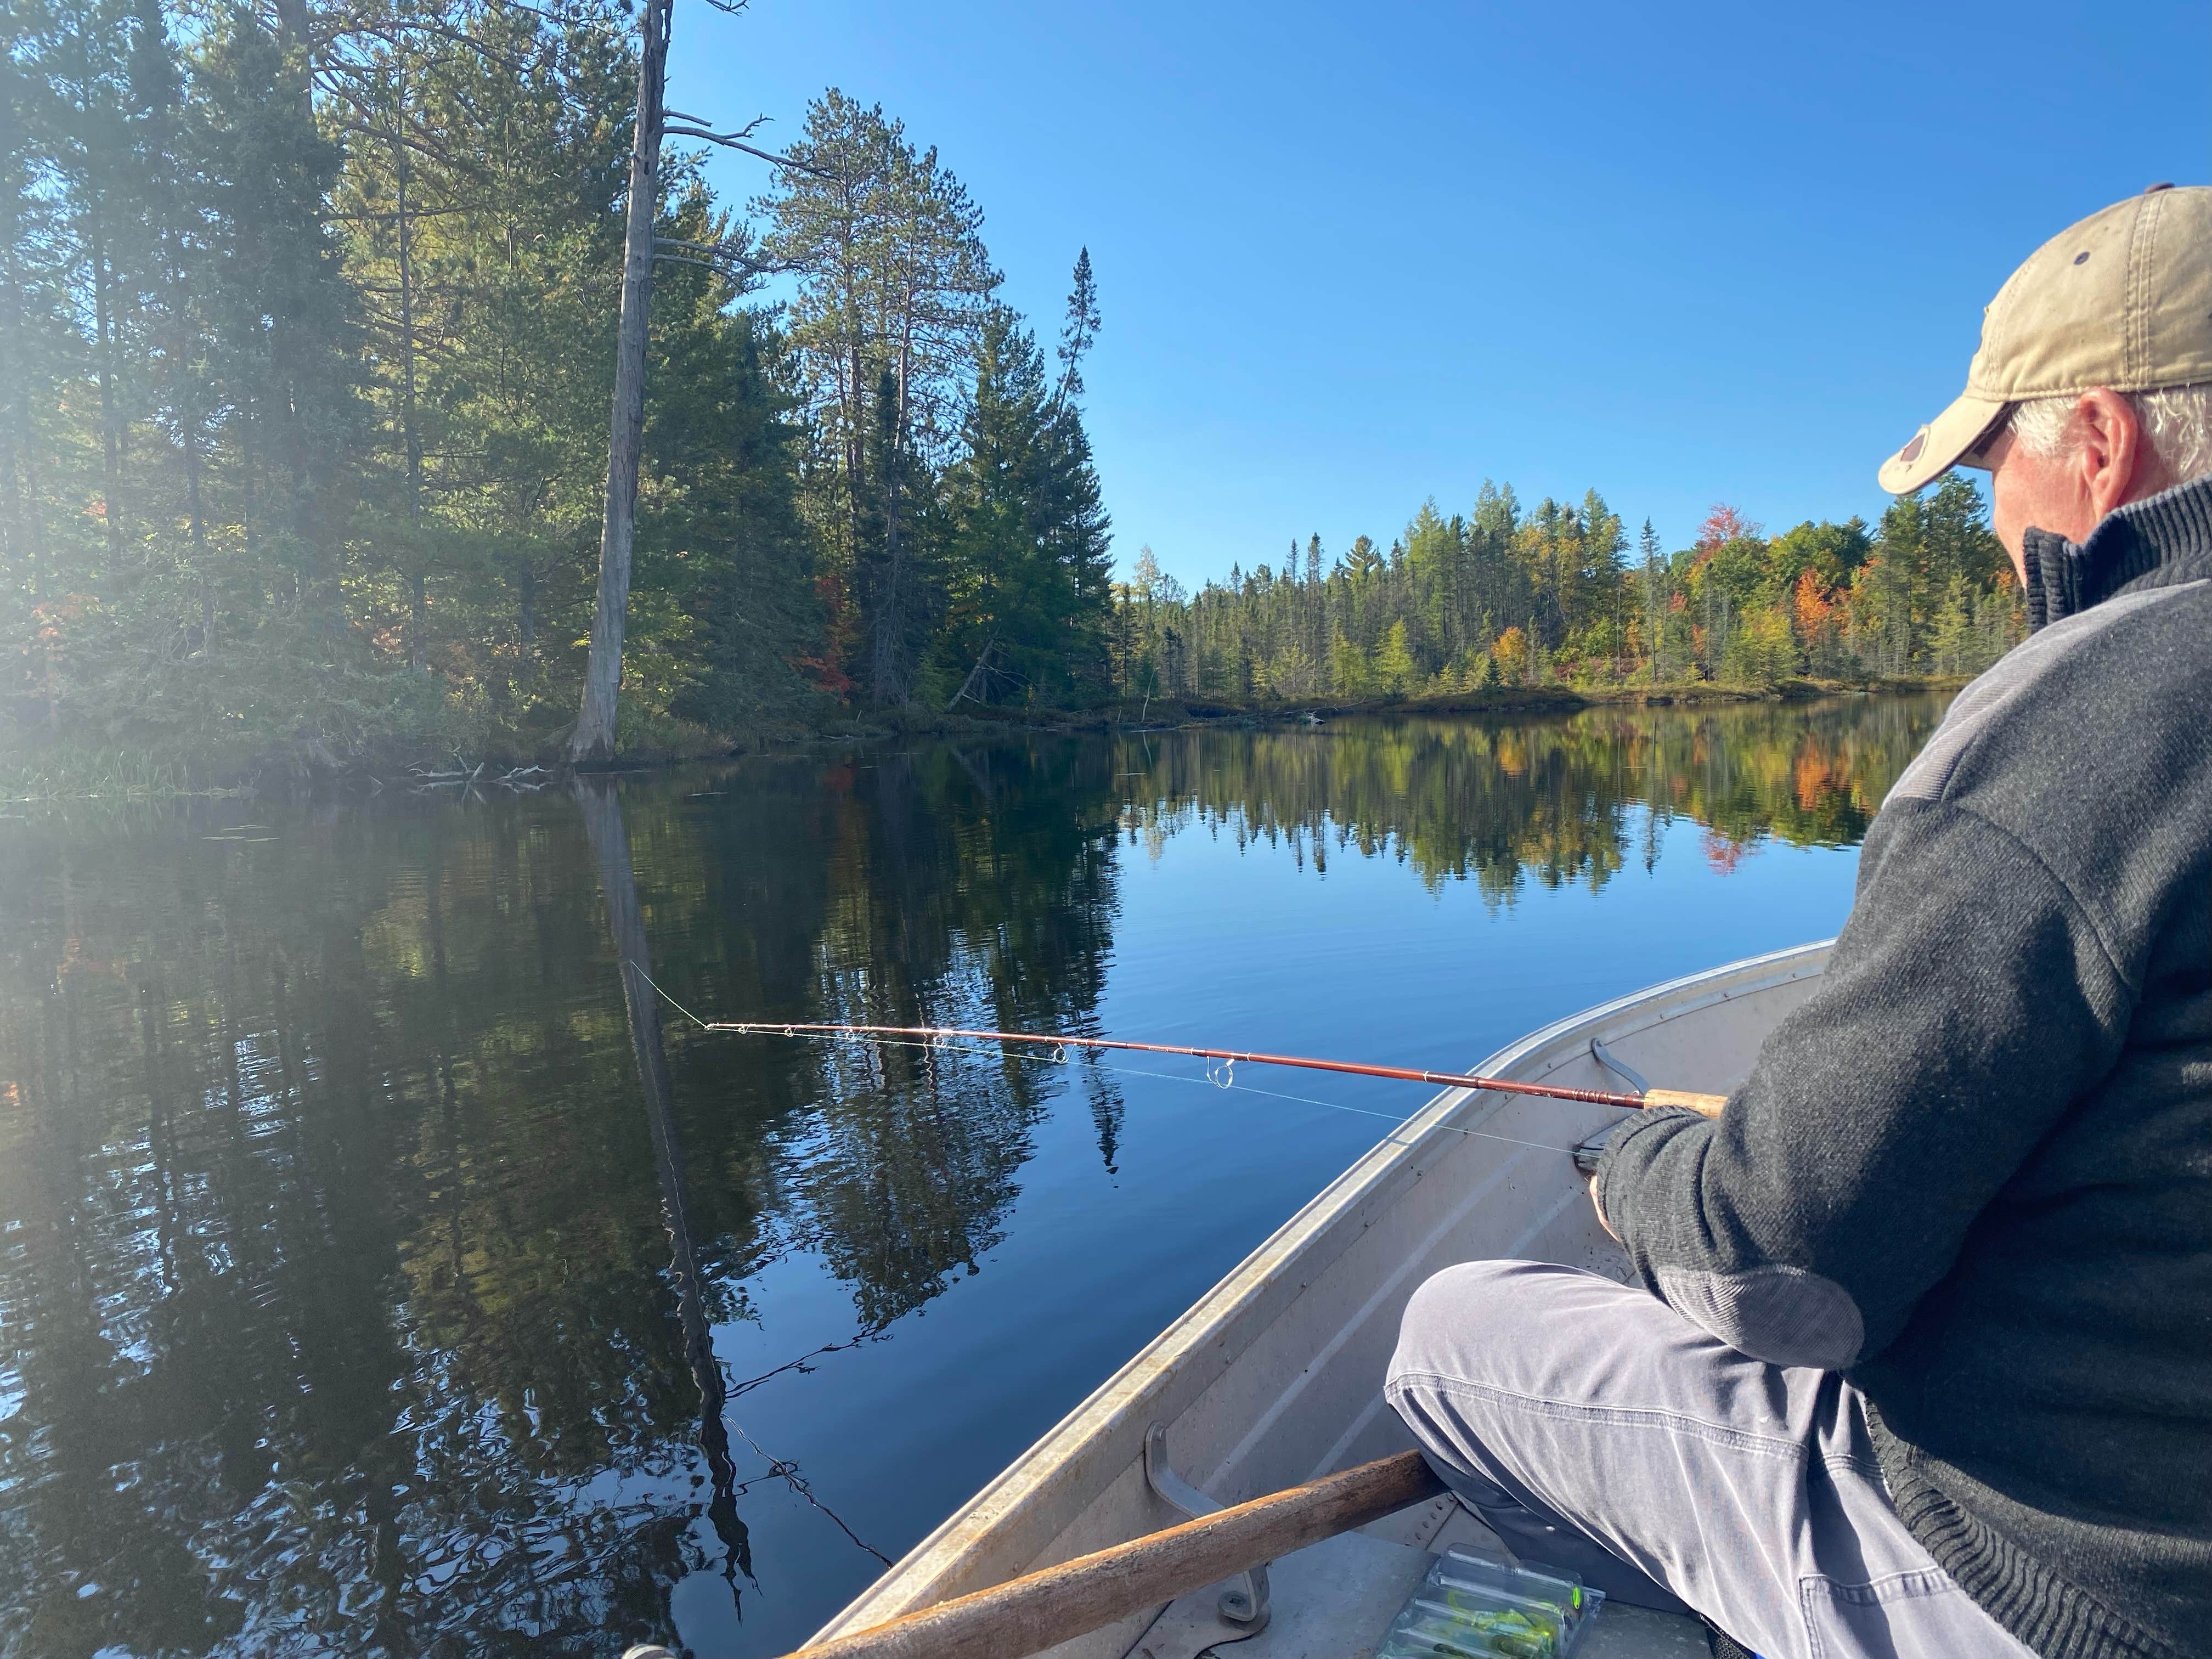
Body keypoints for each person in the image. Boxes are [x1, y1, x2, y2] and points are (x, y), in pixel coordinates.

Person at [1386, 184, 2212, 1659]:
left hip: (2087, 1595)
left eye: (1994, 472)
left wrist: (1624, 1168)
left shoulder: (2101, 704)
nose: (1996, 526)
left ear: (2100, 441)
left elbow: (1776, 1265)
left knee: (1452, 1336)